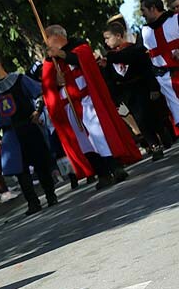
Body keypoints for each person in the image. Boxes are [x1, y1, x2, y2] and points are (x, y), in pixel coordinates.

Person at [41, 25, 141, 187]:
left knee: (99, 135)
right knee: (84, 141)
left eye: (47, 38)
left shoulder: (79, 46)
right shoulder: (49, 61)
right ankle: (102, 174)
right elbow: (47, 86)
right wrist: (56, 82)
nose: (46, 43)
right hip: (69, 105)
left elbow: (82, 61)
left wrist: (61, 54)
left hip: (88, 100)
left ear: (57, 36)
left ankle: (115, 168)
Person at [0, 52, 60, 213]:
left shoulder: (19, 80)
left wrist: (38, 111)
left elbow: (39, 94)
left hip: (28, 126)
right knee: (20, 170)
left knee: (41, 164)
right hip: (10, 133)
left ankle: (50, 195)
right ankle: (33, 202)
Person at [101, 19, 166, 160]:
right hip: (126, 92)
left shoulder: (134, 50)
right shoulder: (109, 59)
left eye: (108, 38)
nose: (106, 42)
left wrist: (153, 88)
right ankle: (153, 144)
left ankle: (164, 136)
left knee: (150, 116)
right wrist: (116, 98)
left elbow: (146, 70)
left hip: (141, 87)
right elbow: (110, 80)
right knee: (139, 120)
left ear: (118, 36)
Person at [140, 0, 179, 128]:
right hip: (165, 80)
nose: (142, 14)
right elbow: (146, 59)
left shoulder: (176, 19)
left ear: (152, 8)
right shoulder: (145, 31)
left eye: (143, 10)